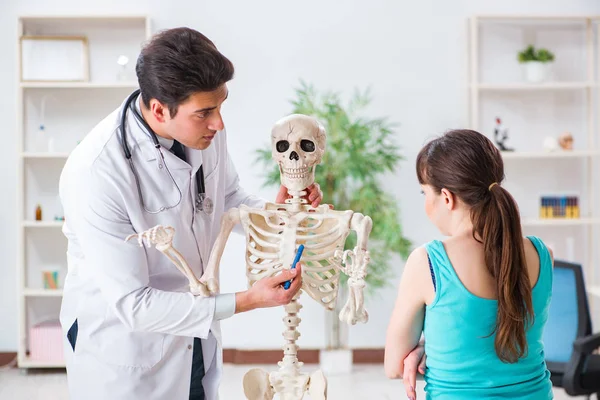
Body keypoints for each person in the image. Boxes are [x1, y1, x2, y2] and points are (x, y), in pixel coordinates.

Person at [58, 27, 323, 400]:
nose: (219, 123)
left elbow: (228, 197)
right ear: (160, 110)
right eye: (205, 113)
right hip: (127, 350)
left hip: (195, 334)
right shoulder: (96, 173)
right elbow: (134, 304)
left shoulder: (206, 134)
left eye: (221, 106)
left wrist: (281, 214)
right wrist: (248, 300)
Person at [384, 129, 554, 399]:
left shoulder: (427, 263)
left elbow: (394, 365)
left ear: (447, 198)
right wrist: (429, 346)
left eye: (424, 193)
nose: (426, 203)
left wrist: (422, 349)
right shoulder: (542, 254)